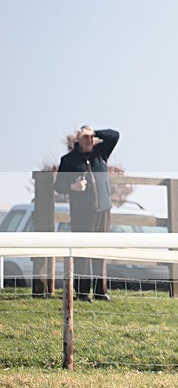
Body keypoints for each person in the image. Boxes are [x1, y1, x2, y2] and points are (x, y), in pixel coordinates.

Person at [55, 125, 120, 302]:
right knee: (82, 253)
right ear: (78, 139)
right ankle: (82, 292)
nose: (89, 140)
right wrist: (72, 187)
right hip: (82, 214)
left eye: (91, 137)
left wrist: (95, 132)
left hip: (103, 211)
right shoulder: (68, 160)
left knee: (100, 252)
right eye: (85, 137)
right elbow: (58, 185)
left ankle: (100, 291)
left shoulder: (101, 153)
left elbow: (114, 135)